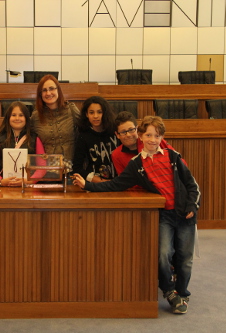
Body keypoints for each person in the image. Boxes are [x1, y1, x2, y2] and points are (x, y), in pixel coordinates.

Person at [73, 116, 200, 314]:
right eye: (148, 135)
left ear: (162, 137)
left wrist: (192, 204)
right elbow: (115, 184)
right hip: (165, 216)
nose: (152, 139)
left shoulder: (173, 156)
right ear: (141, 136)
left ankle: (182, 292)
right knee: (163, 254)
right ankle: (169, 291)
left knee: (185, 258)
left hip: (185, 214)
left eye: (157, 136)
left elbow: (191, 184)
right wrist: (87, 185)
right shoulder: (136, 164)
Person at [0, 101, 45, 186]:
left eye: (21, 115)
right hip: (3, 188)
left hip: (28, 189)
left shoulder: (35, 139)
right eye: (13, 115)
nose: (17, 118)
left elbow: (42, 167)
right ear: (8, 118)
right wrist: (0, 181)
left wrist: (29, 181)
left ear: (26, 118)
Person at [30, 74, 80, 166]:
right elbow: (25, 137)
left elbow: (87, 129)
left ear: (58, 90)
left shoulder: (71, 109)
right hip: (46, 169)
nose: (48, 93)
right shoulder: (36, 116)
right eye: (44, 90)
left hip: (72, 168)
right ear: (40, 94)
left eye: (51, 88)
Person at [111, 111, 175, 176]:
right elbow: (123, 180)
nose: (128, 135)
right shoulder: (116, 155)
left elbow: (177, 162)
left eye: (131, 130)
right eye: (123, 132)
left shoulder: (153, 142)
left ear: (137, 128)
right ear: (117, 135)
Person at [72, 96, 118, 182]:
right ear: (86, 114)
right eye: (91, 112)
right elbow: (77, 168)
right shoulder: (83, 136)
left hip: (118, 182)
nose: (95, 116)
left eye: (99, 112)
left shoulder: (115, 132)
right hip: (94, 183)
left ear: (105, 113)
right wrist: (100, 181)